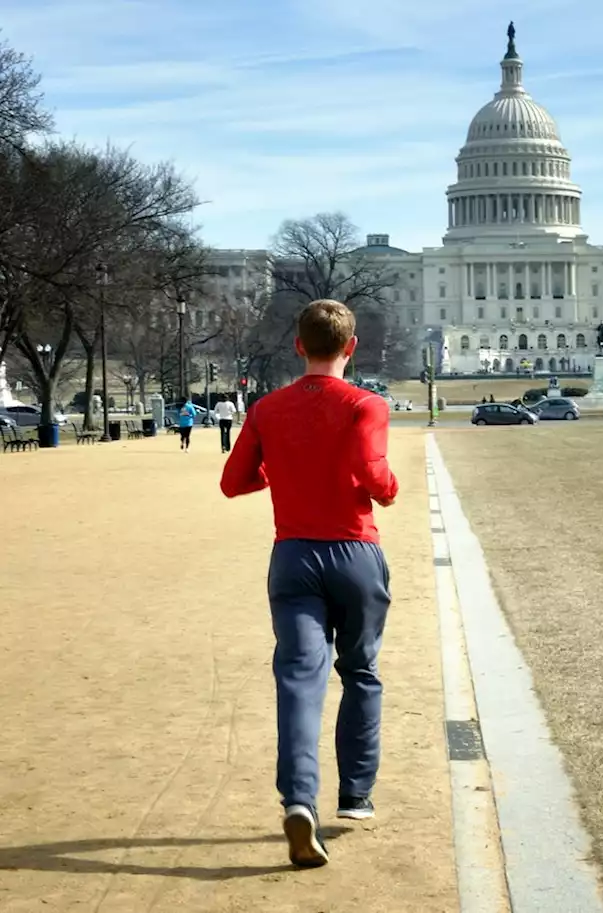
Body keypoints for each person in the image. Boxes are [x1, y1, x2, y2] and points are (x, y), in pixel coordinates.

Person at [219, 299, 399, 869]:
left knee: (299, 678)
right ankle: (356, 795)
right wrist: (388, 489)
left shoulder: (268, 408)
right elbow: (374, 476)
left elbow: (233, 482)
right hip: (354, 549)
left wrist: (282, 469)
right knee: (361, 670)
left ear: (299, 346)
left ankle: (300, 799)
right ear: (352, 347)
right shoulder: (366, 404)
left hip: (293, 553)